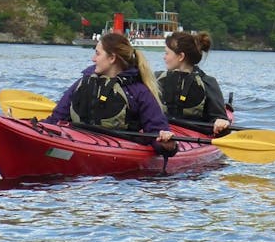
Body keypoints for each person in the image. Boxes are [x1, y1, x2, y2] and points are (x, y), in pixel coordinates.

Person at [43, 33, 177, 157]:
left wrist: (166, 144)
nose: (93, 59)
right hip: (79, 139)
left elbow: (157, 131)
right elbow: (56, 119)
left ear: (112, 58)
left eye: (97, 54)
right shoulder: (83, 83)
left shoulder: (138, 92)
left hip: (119, 153)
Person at [156, 31, 230, 135]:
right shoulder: (157, 78)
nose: (164, 57)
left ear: (180, 56)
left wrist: (220, 122)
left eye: (167, 53)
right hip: (163, 132)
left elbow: (218, 117)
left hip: (194, 134)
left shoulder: (207, 83)